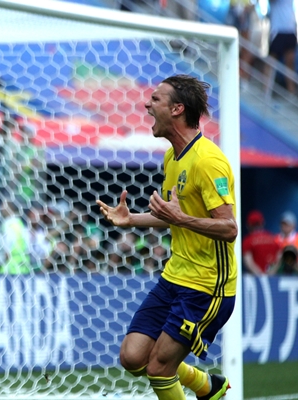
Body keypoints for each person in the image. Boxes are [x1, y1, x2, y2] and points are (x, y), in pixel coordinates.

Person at [96, 74, 236, 400]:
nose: (147, 104)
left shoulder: (208, 161)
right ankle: (207, 386)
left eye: (155, 99)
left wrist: (180, 218)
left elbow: (229, 228)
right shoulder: (172, 157)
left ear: (177, 109)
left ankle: (198, 384)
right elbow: (172, 217)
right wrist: (131, 220)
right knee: (132, 357)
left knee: (159, 368)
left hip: (206, 285)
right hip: (175, 276)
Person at [267, 0, 297, 94]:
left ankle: (291, 92)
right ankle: (266, 91)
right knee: (271, 61)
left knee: (290, 63)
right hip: (277, 29)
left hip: (290, 29)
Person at [241, 210, 280, 275]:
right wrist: (271, 273)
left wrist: (260, 275)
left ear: (249, 225)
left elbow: (248, 262)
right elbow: (279, 257)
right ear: (262, 223)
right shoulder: (272, 237)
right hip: (272, 277)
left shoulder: (248, 240)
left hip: (255, 279)